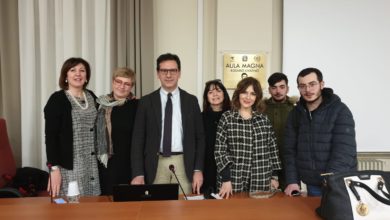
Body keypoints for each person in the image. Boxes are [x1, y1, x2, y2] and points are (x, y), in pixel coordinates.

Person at [130, 53, 205, 195]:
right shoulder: (146, 102)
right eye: (164, 71)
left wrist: (198, 169)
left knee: (184, 211)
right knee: (156, 211)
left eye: (173, 70)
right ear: (158, 73)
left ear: (179, 73)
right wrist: (138, 173)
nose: (168, 75)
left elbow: (200, 138)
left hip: (184, 163)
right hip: (155, 164)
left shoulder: (191, 101)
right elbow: (137, 139)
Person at [283, 67, 357, 197]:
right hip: (313, 185)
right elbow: (289, 150)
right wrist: (292, 181)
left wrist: (330, 180)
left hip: (338, 183)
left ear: (321, 84)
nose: (308, 90)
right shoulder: (295, 114)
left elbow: (344, 150)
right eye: (302, 86)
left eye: (312, 84)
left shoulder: (340, 110)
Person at [215, 77, 282, 199]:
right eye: (244, 92)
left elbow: (272, 148)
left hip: (261, 178)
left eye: (252, 94)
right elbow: (220, 151)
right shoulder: (227, 117)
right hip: (233, 179)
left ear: (257, 97)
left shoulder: (263, 119)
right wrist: (226, 179)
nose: (248, 97)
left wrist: (274, 176)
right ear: (238, 93)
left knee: (258, 215)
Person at [44, 57, 100, 197]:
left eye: (82, 70)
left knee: (93, 207)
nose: (78, 74)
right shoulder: (57, 99)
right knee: (72, 207)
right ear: (66, 76)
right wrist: (54, 169)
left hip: (92, 164)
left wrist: (128, 99)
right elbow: (50, 138)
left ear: (86, 76)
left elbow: (107, 113)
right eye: (73, 70)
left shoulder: (91, 96)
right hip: (69, 165)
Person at [96, 67, 138, 195]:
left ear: (131, 87)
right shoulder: (100, 104)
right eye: (119, 82)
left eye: (127, 84)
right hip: (105, 164)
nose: (122, 86)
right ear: (113, 82)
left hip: (129, 165)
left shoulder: (138, 106)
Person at [264, 72, 296, 190]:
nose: (278, 91)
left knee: (289, 199)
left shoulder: (296, 109)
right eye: (274, 88)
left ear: (287, 88)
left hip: (290, 163)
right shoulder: (262, 108)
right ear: (269, 90)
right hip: (267, 163)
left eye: (282, 87)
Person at [201, 79, 231, 195]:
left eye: (218, 91)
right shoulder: (200, 118)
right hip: (207, 167)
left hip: (228, 168)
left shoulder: (232, 116)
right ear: (206, 97)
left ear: (224, 93)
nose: (215, 94)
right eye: (210, 92)